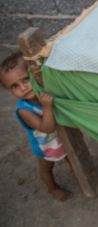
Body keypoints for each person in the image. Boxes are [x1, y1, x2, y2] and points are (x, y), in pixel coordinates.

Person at [1, 52, 71, 201]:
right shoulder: (24, 109)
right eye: (14, 86)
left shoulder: (43, 92)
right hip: (45, 146)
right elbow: (47, 128)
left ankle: (77, 170)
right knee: (47, 168)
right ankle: (52, 188)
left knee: (71, 156)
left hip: (62, 138)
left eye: (25, 79)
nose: (23, 88)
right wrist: (46, 107)